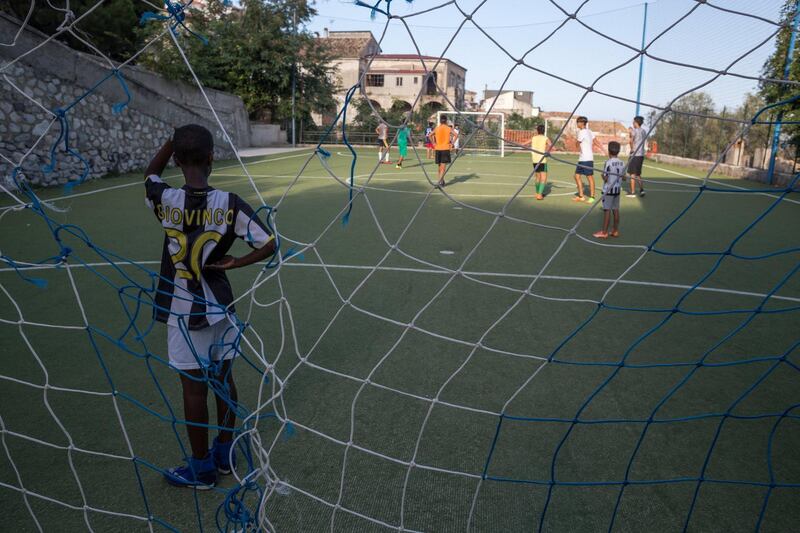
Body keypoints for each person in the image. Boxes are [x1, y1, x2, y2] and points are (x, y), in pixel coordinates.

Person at [144, 124, 276, 489]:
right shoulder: (230, 204)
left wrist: (171, 141)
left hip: (182, 310)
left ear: (177, 159)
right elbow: (269, 243)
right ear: (211, 158)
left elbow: (150, 175)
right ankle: (223, 451)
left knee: (193, 389)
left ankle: (201, 468)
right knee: (223, 378)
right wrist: (237, 262)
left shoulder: (165, 199)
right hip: (220, 306)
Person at [593, 141, 626, 239]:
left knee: (607, 210)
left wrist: (602, 176)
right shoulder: (622, 163)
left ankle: (604, 232)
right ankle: (615, 231)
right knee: (616, 210)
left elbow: (606, 178)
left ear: (608, 151)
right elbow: (624, 178)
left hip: (608, 190)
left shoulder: (608, 163)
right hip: (617, 190)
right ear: (618, 151)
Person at [573, 116, 596, 203]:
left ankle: (592, 197)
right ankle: (581, 196)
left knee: (589, 177)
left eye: (578, 122)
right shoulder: (590, 131)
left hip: (586, 158)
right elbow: (595, 141)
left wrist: (577, 140)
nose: (577, 124)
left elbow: (577, 145)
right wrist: (603, 149)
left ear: (582, 123)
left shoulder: (582, 132)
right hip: (583, 158)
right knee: (576, 176)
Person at [530, 124, 553, 200]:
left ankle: (537, 193)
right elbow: (552, 146)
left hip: (535, 160)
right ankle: (539, 195)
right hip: (542, 160)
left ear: (537, 131)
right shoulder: (545, 138)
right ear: (544, 131)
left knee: (537, 177)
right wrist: (548, 151)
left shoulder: (533, 138)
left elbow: (524, 143)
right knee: (543, 178)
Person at [431, 115, 453, 188]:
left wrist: (434, 143)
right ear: (446, 121)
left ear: (440, 121)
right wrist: (452, 144)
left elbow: (429, 135)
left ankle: (441, 180)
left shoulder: (437, 128)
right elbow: (456, 135)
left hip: (438, 149)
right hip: (445, 149)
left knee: (440, 167)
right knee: (443, 167)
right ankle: (439, 182)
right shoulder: (448, 128)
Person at [627, 115, 647, 197]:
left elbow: (631, 141)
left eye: (633, 121)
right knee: (638, 174)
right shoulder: (644, 131)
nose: (632, 123)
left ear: (636, 123)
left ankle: (632, 192)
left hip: (635, 155)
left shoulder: (634, 131)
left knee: (632, 174)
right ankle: (642, 190)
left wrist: (632, 149)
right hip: (641, 155)